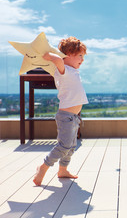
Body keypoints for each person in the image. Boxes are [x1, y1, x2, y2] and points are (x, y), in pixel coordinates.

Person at [33, 37, 88, 186]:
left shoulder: (72, 70)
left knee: (71, 147)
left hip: (74, 117)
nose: (82, 60)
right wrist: (49, 56)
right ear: (68, 54)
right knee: (63, 146)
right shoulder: (62, 69)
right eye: (80, 56)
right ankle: (43, 167)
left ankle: (63, 170)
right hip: (66, 117)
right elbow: (58, 60)